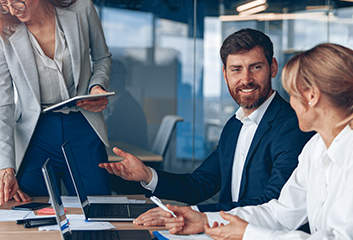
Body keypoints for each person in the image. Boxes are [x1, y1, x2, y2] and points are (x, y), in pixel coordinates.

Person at [99, 28, 314, 225]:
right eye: (236, 70)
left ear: (273, 68)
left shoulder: (292, 126)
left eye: (255, 67)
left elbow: (272, 203)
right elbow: (200, 185)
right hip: (228, 233)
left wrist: (193, 214)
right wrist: (148, 175)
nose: (246, 79)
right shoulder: (234, 125)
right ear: (225, 74)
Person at [164, 43, 353, 239]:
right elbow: (281, 213)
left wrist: (247, 234)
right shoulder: (315, 148)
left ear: (312, 96)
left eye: (292, 94)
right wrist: (205, 219)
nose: (290, 103)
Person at [0, 0, 112, 205]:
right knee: (29, 212)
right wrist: (5, 168)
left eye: (18, 0)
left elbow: (101, 58)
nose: (13, 10)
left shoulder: (80, 5)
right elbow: (1, 104)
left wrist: (97, 87)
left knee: (98, 208)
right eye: (4, 3)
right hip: (36, 134)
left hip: (82, 126)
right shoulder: (0, 32)